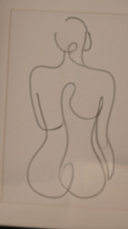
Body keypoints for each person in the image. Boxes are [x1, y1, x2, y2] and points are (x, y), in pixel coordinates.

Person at [26, 16, 116, 199]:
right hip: (87, 175)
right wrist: (110, 170)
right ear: (87, 40)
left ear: (58, 42)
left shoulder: (38, 76)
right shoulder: (104, 80)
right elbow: (102, 138)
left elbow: (43, 125)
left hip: (42, 169)